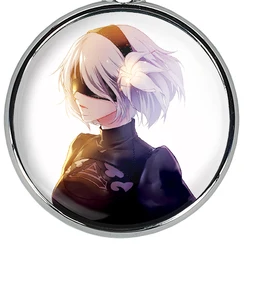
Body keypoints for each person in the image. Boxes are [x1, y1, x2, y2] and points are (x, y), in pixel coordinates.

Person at [52, 24, 195, 229]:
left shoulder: (154, 164)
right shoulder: (80, 144)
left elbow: (187, 223)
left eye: (91, 85)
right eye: (76, 81)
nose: (77, 95)